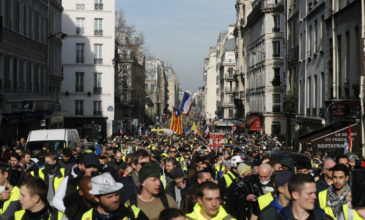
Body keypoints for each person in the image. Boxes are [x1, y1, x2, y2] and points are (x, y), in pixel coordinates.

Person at [81, 172, 148, 220]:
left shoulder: (133, 214)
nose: (115, 199)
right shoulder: (87, 217)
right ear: (96, 198)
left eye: (116, 194)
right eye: (109, 197)